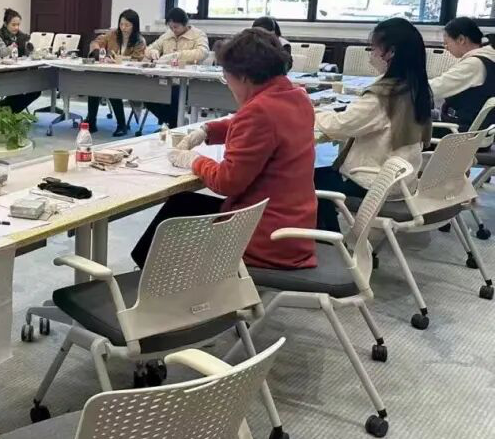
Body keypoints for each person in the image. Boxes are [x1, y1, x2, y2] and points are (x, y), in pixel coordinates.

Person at [133, 28, 316, 270]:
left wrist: (194, 160)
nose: (228, 85)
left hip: (264, 235)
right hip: (293, 225)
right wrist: (208, 130)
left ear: (244, 77)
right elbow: (262, 127)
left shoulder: (259, 111)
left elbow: (227, 182)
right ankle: (154, 275)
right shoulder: (297, 97)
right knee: (182, 205)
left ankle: (158, 282)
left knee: (168, 231)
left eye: (226, 78)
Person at [313, 18, 432, 232]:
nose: (371, 56)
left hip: (375, 184)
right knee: (324, 173)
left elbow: (341, 126)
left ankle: (329, 238)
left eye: (374, 49)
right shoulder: (416, 86)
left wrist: (310, 111)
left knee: (311, 177)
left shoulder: (384, 95)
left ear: (391, 52)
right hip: (405, 181)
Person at [145, 7, 209, 128]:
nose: (173, 30)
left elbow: (203, 52)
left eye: (176, 27)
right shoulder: (167, 35)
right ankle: (175, 123)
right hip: (166, 80)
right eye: (171, 27)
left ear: (185, 24)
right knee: (148, 96)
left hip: (188, 82)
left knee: (174, 96)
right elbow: (149, 48)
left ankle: (174, 126)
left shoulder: (198, 35)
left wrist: (177, 55)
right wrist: (152, 52)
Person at [87, 9, 147, 136]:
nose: (123, 28)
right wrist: (100, 54)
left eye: (127, 25)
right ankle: (91, 121)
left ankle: (121, 124)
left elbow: (137, 60)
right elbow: (95, 43)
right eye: (121, 24)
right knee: (93, 84)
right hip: (110, 73)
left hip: (129, 77)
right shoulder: (112, 34)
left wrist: (119, 60)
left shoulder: (139, 41)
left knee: (112, 87)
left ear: (134, 26)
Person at [430, 16, 495, 133]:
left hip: (461, 133)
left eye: (446, 43)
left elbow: (436, 87)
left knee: (408, 128)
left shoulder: (474, 64)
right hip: (476, 128)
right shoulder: (488, 55)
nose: (446, 48)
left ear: (461, 39)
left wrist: (403, 86)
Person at [0, 9, 40, 114]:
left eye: (18, 25)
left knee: (36, 88)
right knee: (17, 87)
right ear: (5, 24)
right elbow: (1, 53)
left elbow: (28, 52)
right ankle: (3, 111)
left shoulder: (21, 36)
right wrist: (11, 47)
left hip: (17, 72)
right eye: (13, 25)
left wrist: (30, 48)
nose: (16, 28)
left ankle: (5, 110)